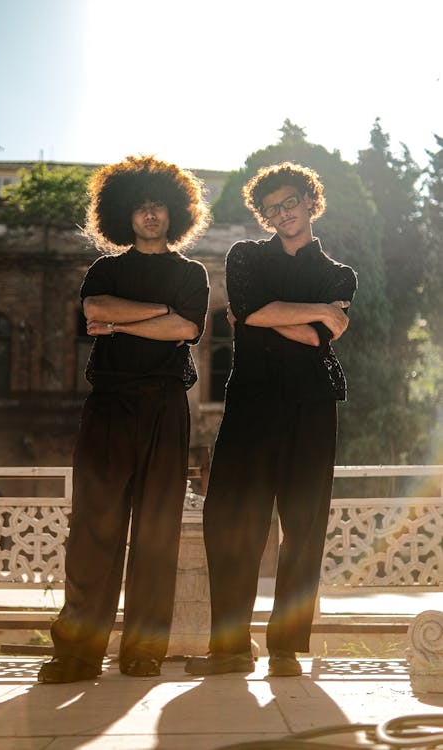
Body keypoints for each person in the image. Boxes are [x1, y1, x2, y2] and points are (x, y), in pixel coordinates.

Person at [38, 155, 210, 683]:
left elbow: (185, 329)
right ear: (124, 214)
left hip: (164, 405)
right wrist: (151, 315)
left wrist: (122, 319)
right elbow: (95, 312)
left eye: (158, 205)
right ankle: (77, 653)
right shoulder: (103, 269)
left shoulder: (191, 272)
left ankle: (143, 652)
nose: (150, 214)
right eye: (140, 206)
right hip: (108, 404)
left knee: (156, 530)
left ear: (174, 212)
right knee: (93, 528)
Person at [185, 161, 357, 678]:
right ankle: (231, 647)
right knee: (229, 519)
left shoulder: (340, 275)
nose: (281, 214)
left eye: (290, 203)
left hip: (312, 406)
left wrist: (273, 316)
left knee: (303, 525)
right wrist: (313, 313)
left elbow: (316, 338)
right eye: (271, 208)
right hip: (252, 403)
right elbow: (251, 311)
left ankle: (285, 649)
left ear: (310, 201)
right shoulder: (245, 257)